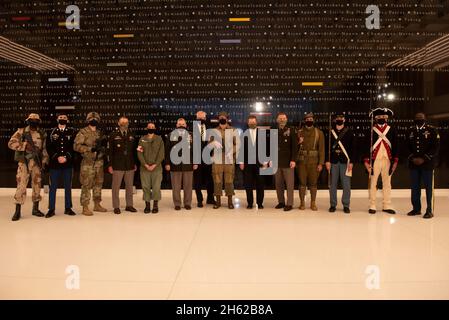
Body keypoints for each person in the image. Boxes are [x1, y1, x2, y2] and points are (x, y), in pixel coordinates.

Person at [8, 113, 49, 221]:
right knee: (21, 186)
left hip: (36, 163)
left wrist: (44, 161)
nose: (33, 122)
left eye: (36, 120)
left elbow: (44, 149)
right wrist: (24, 146)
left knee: (36, 186)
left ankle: (35, 209)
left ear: (39, 121)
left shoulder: (41, 133)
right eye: (31, 120)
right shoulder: (21, 132)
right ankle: (17, 211)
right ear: (28, 121)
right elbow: (11, 143)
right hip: (24, 163)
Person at [364, 107, 398, 214]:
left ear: (387, 118)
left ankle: (386, 205)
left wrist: (395, 161)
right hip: (375, 160)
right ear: (375, 118)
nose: (381, 118)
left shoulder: (391, 129)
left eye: (383, 116)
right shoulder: (370, 130)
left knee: (387, 183)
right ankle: (372, 204)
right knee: (373, 182)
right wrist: (366, 161)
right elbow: (365, 146)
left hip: (388, 160)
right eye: (379, 117)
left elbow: (396, 145)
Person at [406, 112, 440, 219]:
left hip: (427, 164)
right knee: (415, 187)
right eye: (417, 118)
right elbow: (406, 146)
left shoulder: (431, 130)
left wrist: (424, 158)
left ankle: (429, 210)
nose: (419, 119)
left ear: (425, 119)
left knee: (429, 188)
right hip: (414, 164)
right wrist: (412, 158)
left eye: (421, 118)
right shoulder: (410, 130)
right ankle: (416, 209)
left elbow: (435, 147)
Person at [74, 112, 108, 216]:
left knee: (98, 183)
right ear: (88, 120)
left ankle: (97, 204)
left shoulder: (99, 133)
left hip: (99, 162)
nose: (94, 121)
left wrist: (103, 149)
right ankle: (85, 207)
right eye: (91, 119)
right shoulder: (83, 132)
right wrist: (90, 149)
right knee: (86, 184)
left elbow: (105, 146)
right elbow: (76, 146)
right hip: (88, 163)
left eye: (96, 119)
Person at [45, 112, 77, 218]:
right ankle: (51, 209)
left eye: (64, 118)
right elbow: (48, 147)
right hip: (55, 164)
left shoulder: (72, 132)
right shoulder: (51, 132)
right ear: (57, 119)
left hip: (67, 164)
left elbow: (73, 147)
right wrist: (57, 157)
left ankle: (68, 208)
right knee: (53, 187)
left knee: (68, 186)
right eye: (60, 117)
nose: (62, 119)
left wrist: (66, 157)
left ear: (67, 120)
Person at [325, 113, 356, 214]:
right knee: (332, 185)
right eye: (337, 118)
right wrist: (327, 161)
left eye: (341, 118)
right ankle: (333, 204)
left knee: (346, 185)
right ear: (335, 120)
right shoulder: (330, 132)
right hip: (333, 162)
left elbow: (353, 148)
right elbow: (327, 148)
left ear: (344, 119)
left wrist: (351, 161)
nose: (339, 119)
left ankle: (346, 205)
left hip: (345, 162)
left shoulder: (349, 132)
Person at [165, 118, 198, 210]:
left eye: (183, 124)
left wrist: (196, 162)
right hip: (174, 165)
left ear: (186, 125)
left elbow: (195, 150)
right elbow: (167, 150)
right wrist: (167, 163)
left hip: (188, 164)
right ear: (176, 125)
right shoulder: (171, 135)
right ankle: (177, 204)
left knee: (188, 186)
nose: (181, 126)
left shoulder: (191, 135)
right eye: (179, 124)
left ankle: (187, 203)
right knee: (176, 186)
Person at [209, 111, 240, 209]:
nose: (222, 119)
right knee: (217, 180)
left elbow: (238, 144)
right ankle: (218, 202)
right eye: (220, 117)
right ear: (219, 119)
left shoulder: (233, 130)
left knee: (229, 180)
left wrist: (231, 151)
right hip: (217, 159)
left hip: (229, 158)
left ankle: (230, 202)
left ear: (227, 119)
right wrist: (213, 143)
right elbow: (208, 145)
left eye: (224, 117)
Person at [107, 116, 138, 214]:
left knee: (129, 187)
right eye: (122, 122)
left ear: (128, 123)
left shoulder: (132, 135)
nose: (124, 124)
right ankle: (116, 206)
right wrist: (110, 165)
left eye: (126, 122)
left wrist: (135, 163)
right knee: (116, 187)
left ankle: (129, 205)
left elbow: (135, 151)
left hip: (129, 165)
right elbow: (109, 152)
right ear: (118, 123)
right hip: (117, 165)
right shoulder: (113, 135)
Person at [297, 112, 325, 211]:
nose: (309, 121)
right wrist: (298, 142)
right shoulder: (299, 132)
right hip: (301, 162)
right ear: (305, 120)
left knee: (313, 184)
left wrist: (321, 163)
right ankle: (302, 203)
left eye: (311, 119)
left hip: (314, 162)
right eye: (307, 119)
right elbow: (295, 148)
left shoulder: (319, 133)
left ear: (313, 120)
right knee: (302, 183)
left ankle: (313, 203)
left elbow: (321, 149)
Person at [238, 115, 267, 209]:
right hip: (247, 163)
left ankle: (260, 203)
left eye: (253, 122)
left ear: (256, 122)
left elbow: (266, 148)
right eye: (250, 122)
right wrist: (241, 162)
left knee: (260, 184)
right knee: (248, 184)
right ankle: (250, 203)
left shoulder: (262, 133)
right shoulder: (243, 134)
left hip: (260, 163)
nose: (252, 123)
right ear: (248, 123)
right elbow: (241, 149)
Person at [137, 122, 164, 214]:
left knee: (156, 187)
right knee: (145, 187)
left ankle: (155, 205)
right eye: (149, 127)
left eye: (152, 127)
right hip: (145, 168)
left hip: (156, 168)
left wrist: (154, 165)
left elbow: (161, 154)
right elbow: (139, 153)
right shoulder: (142, 139)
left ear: (155, 128)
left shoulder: (159, 139)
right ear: (146, 128)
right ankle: (147, 205)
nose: (151, 128)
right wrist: (145, 164)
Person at [274, 112, 297, 211]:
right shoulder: (273, 130)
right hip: (276, 162)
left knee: (289, 185)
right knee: (278, 184)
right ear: (277, 120)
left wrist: (293, 160)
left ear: (286, 119)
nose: (282, 120)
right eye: (280, 118)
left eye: (284, 118)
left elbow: (294, 147)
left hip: (288, 162)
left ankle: (290, 203)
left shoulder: (291, 130)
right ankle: (281, 202)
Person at [192, 110, 215, 207]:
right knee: (197, 181)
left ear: (206, 119)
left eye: (203, 118)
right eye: (199, 118)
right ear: (196, 118)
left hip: (208, 158)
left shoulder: (210, 129)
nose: (201, 120)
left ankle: (210, 198)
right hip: (197, 159)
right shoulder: (191, 129)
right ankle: (199, 200)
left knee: (210, 180)